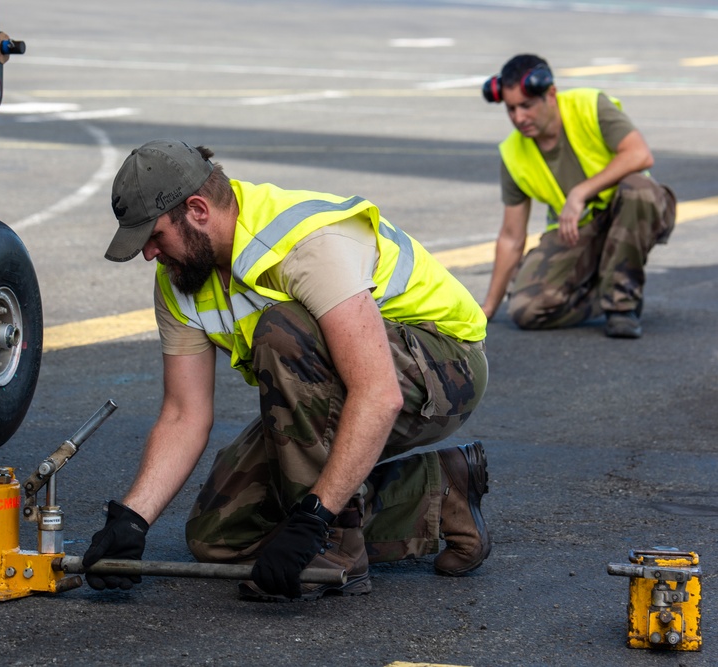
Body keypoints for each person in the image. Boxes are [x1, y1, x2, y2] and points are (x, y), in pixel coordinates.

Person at [82, 139, 491, 602]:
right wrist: (133, 519)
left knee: (282, 330)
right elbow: (183, 414)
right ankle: (443, 492)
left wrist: (316, 521)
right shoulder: (181, 280)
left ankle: (337, 546)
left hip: (440, 368)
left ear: (197, 210)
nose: (149, 255)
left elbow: (377, 392)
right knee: (218, 536)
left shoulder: (304, 244)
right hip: (348, 385)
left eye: (154, 237)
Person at [479, 54, 676, 339]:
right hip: (579, 230)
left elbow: (640, 154)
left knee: (639, 190)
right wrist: (487, 307)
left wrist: (580, 191)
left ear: (551, 93)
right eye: (510, 109)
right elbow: (511, 237)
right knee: (526, 310)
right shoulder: (512, 153)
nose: (519, 118)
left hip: (632, 213)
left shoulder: (589, 105)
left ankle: (622, 305)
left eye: (526, 106)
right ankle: (605, 289)